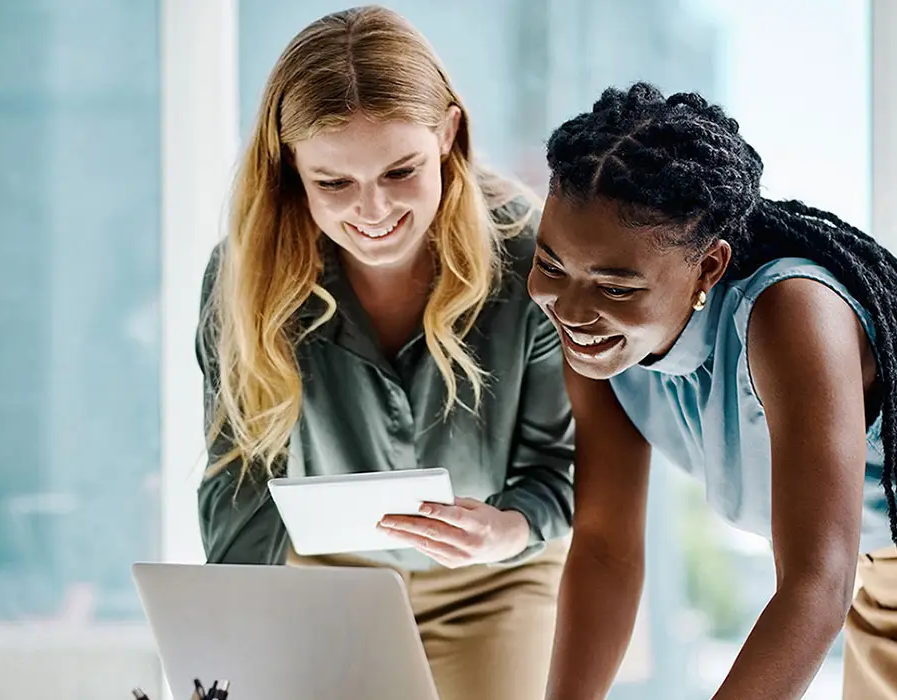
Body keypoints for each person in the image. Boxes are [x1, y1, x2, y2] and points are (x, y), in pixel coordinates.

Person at [194, 6, 575, 699]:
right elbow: (240, 475)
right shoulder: (244, 276)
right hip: (329, 578)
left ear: (449, 134)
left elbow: (563, 466)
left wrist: (509, 529)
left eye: (401, 171)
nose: (372, 211)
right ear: (291, 170)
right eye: (333, 183)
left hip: (495, 579)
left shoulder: (531, 258)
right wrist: (230, 647)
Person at [526, 82, 897, 700]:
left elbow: (814, 584)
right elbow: (606, 548)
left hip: (849, 582)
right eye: (551, 265)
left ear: (710, 267)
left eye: (615, 287)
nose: (569, 308)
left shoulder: (790, 313)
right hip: (871, 584)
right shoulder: (599, 344)